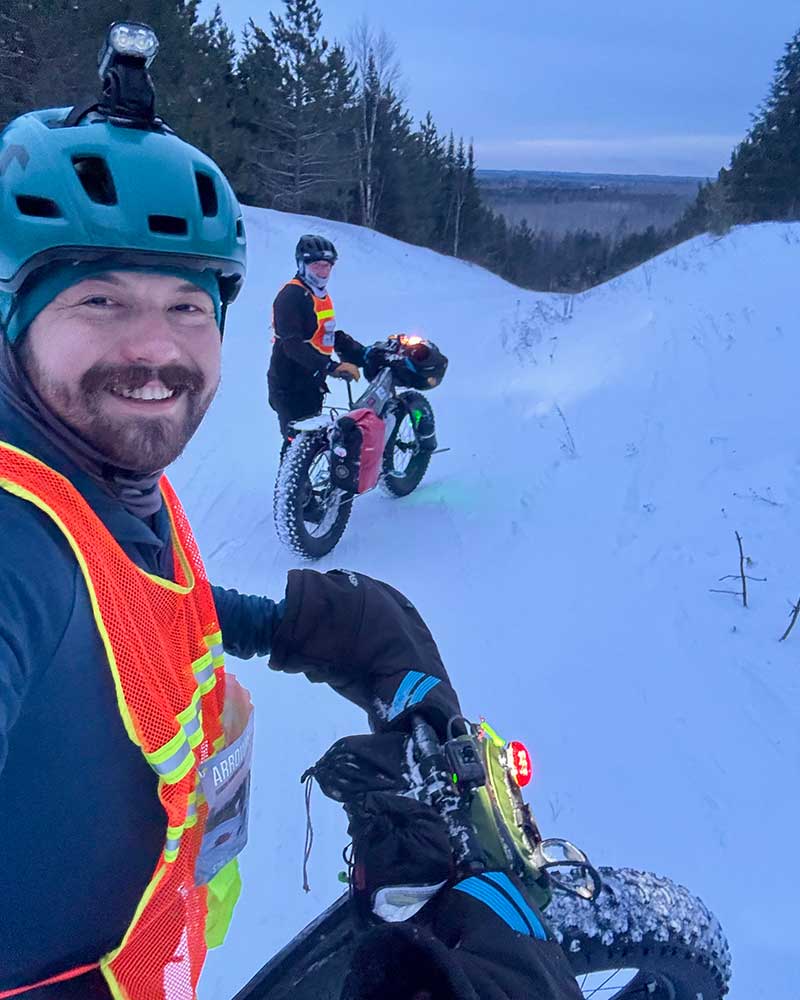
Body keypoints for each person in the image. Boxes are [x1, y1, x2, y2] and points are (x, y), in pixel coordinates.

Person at [268, 236, 368, 442]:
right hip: (289, 383)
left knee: (315, 441)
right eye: (316, 266)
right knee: (296, 445)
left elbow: (326, 334)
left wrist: (361, 354)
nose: (323, 272)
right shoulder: (291, 296)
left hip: (311, 380)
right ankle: (290, 475)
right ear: (302, 265)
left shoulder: (318, 294)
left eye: (327, 266)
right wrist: (331, 367)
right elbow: (292, 345)